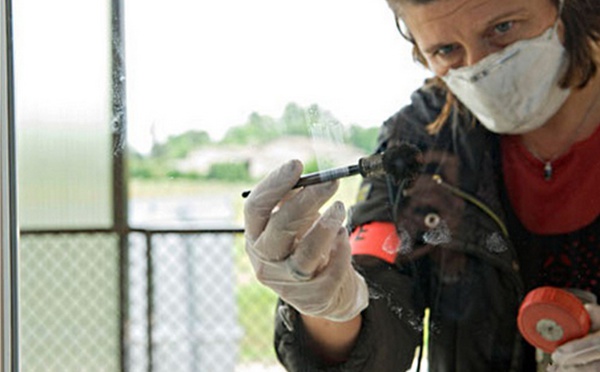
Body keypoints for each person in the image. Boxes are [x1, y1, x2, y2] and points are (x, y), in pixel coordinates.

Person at [243, 0, 600, 370]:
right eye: (446, 49)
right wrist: (329, 307)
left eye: (503, 28)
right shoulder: (415, 148)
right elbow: (378, 293)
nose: (478, 64)